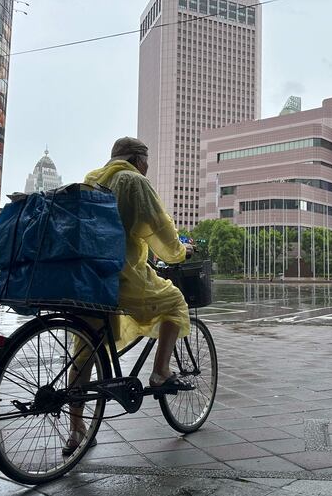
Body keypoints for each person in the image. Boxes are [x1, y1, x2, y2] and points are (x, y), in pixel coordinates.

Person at [64, 137, 193, 455]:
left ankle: (77, 429)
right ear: (137, 158)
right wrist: (180, 252)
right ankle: (161, 372)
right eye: (146, 159)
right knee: (175, 302)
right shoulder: (134, 181)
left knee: (84, 352)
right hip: (122, 277)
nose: (148, 165)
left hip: (87, 279)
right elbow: (160, 231)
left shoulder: (93, 178)